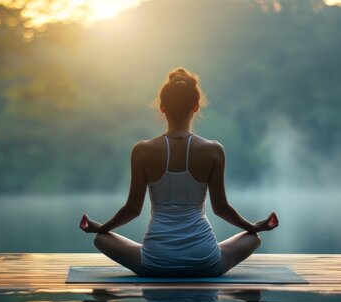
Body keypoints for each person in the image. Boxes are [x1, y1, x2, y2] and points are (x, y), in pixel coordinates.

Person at [79, 67, 278, 277]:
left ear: (163, 108)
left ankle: (144, 254)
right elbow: (221, 209)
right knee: (253, 238)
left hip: (156, 261)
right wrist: (253, 226)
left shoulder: (142, 150)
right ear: (196, 106)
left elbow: (132, 209)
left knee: (101, 239)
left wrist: (101, 228)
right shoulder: (213, 150)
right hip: (205, 260)